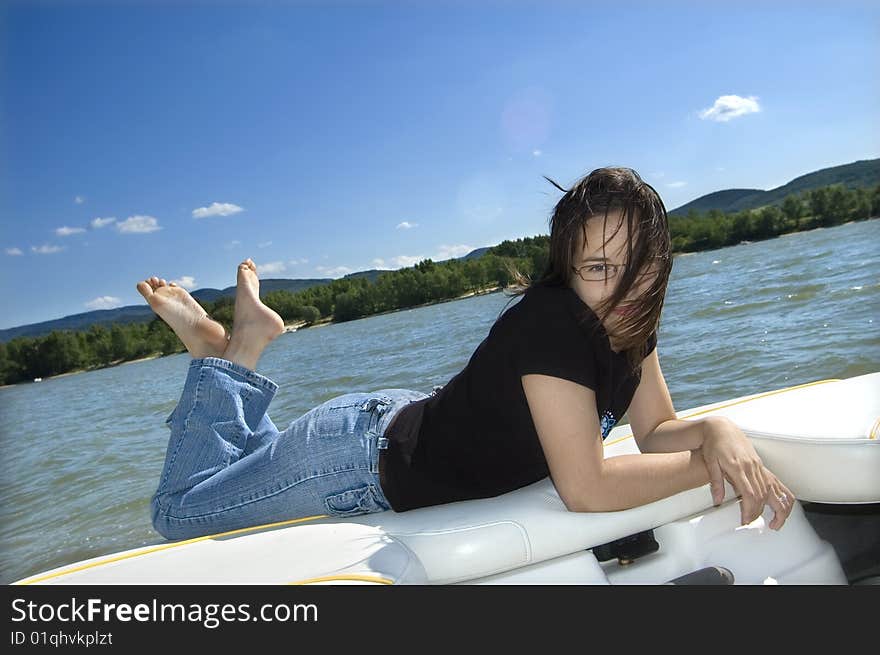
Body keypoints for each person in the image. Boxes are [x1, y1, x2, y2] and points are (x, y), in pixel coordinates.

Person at [140, 167, 794, 542]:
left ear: (662, 260)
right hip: (358, 463)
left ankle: (230, 357)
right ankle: (230, 354)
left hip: (400, 426)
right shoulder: (553, 327)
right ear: (567, 270)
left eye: (638, 266)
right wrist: (711, 464)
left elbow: (654, 432)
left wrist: (717, 428)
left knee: (245, 468)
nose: (623, 287)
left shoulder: (631, 320)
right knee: (179, 514)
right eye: (599, 268)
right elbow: (587, 487)